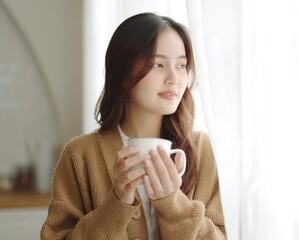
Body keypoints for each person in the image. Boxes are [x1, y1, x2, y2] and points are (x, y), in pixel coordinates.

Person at [40, 12, 226, 240]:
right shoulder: (79, 155)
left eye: (181, 65)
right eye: (158, 64)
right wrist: (117, 203)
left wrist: (172, 203)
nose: (174, 78)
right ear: (124, 73)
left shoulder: (204, 150)